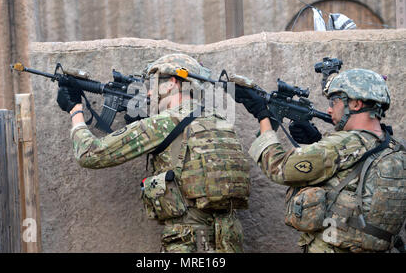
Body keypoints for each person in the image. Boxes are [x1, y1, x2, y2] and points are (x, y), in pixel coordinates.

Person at [56, 54, 252, 253]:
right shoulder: (221, 122)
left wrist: (75, 110)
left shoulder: (164, 123)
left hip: (189, 239)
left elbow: (90, 153)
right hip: (229, 237)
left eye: (153, 84)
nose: (149, 93)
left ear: (171, 84)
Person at [235, 68, 405, 253]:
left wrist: (263, 116)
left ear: (356, 104)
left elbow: (278, 167)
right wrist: (317, 140)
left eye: (335, 101)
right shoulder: (395, 147)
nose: (330, 108)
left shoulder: (340, 145)